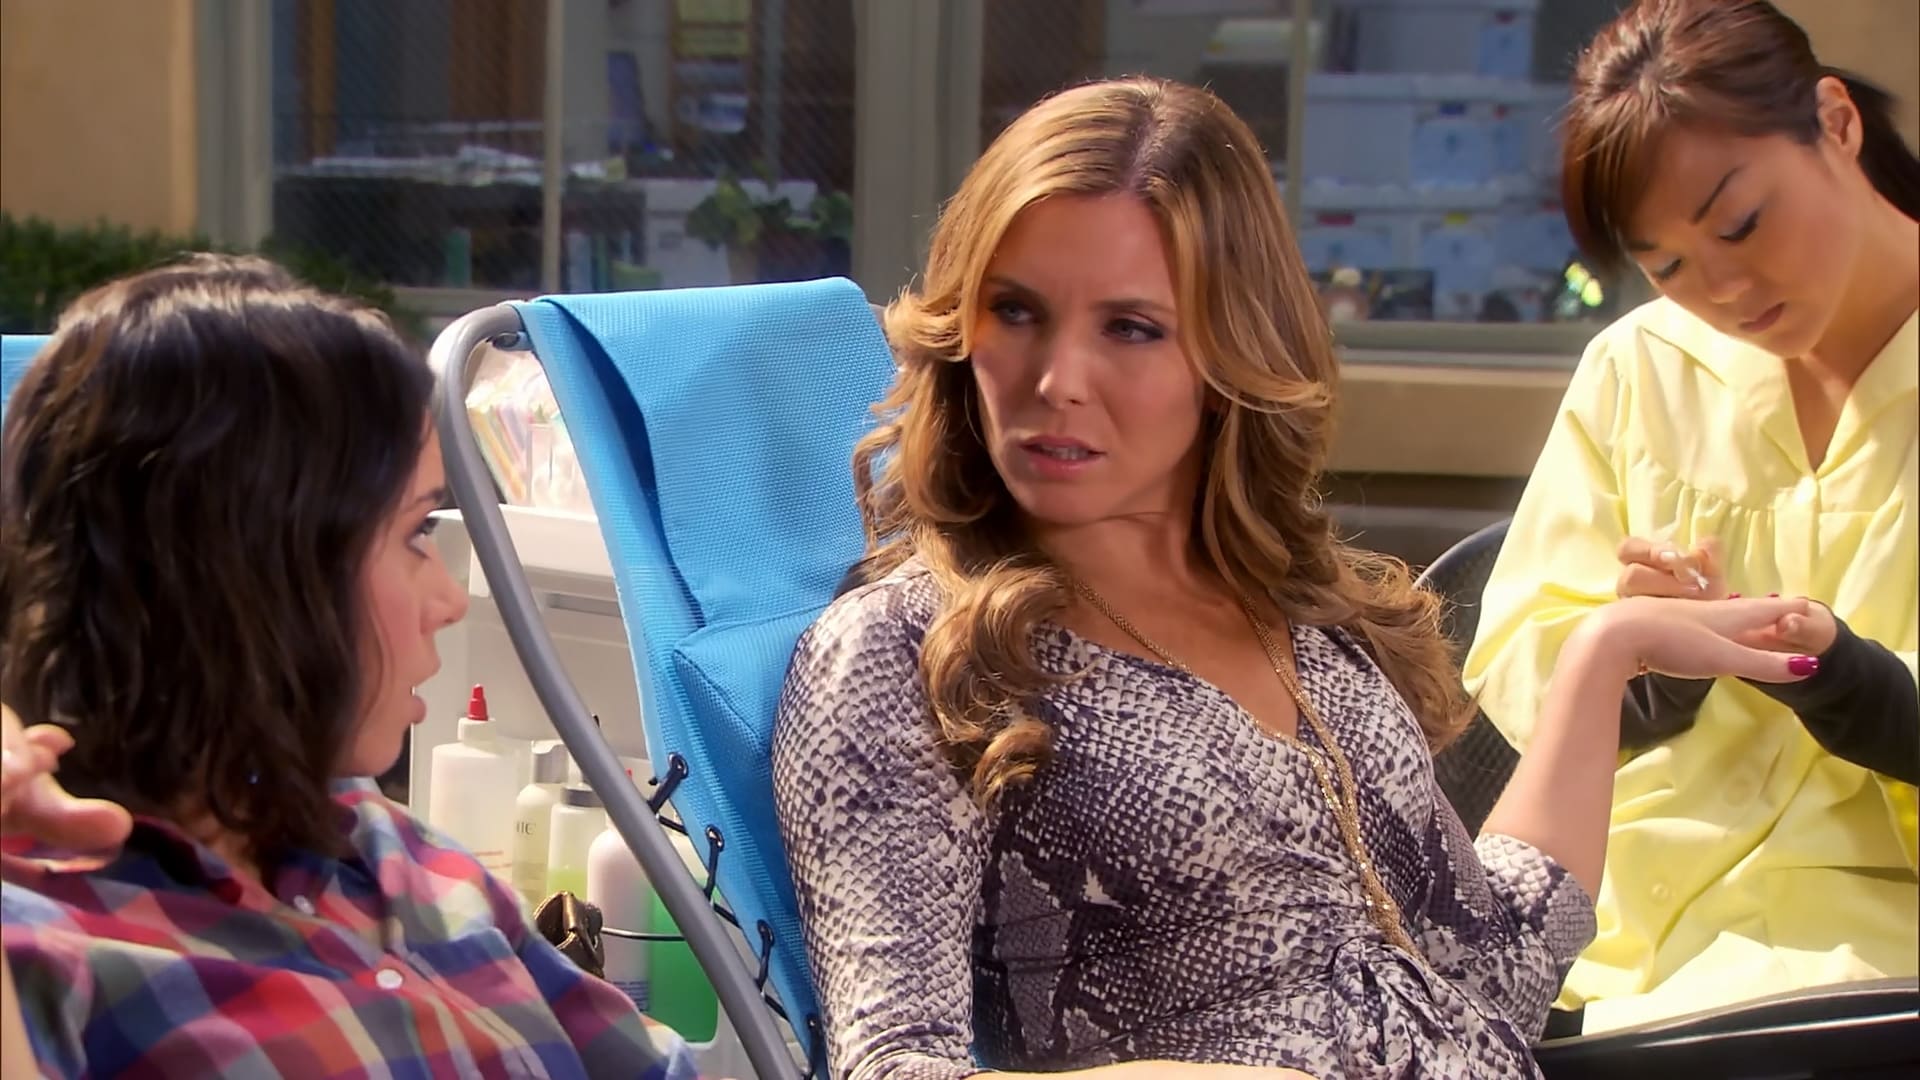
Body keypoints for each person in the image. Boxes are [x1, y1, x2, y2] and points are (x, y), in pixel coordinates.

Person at [771, 77, 1823, 1080]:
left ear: (1228, 353)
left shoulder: (1312, 631)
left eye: (1130, 327)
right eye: (1016, 311)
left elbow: (1490, 974)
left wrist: (1604, 657)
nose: (1058, 381)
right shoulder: (909, 654)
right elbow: (894, 1064)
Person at [0, 255, 699, 1079]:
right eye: (416, 533)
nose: (449, 599)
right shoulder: (54, 956)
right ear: (254, 573)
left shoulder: (413, 865)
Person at [1463, 0, 1918, 1033]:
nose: (1724, 288)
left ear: (1837, 122)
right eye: (1666, 266)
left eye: (1742, 223)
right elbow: (1519, 659)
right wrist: (1645, 665)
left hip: (1889, 975)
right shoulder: (1640, 369)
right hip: (1635, 958)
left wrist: (1865, 689)